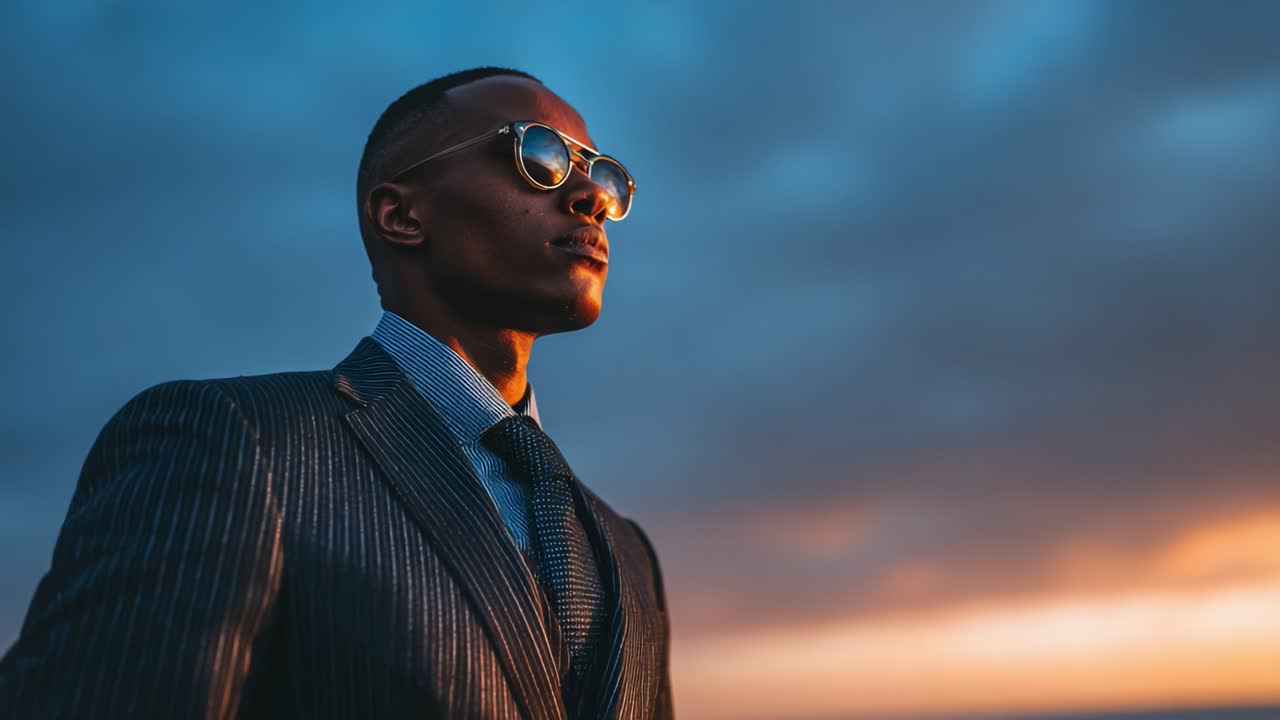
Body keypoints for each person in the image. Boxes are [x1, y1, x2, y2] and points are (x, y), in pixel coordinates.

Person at [0, 67, 673, 720]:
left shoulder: (627, 552)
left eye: (602, 175)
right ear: (400, 216)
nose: (591, 197)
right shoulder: (236, 444)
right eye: (543, 156)